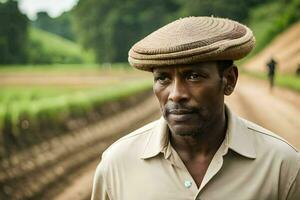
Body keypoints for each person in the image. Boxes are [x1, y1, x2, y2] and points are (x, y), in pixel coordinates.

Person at [91, 16, 300, 200]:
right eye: (163, 78)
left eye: (193, 76)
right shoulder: (117, 164)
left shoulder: (283, 166)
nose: (175, 94)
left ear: (229, 80)